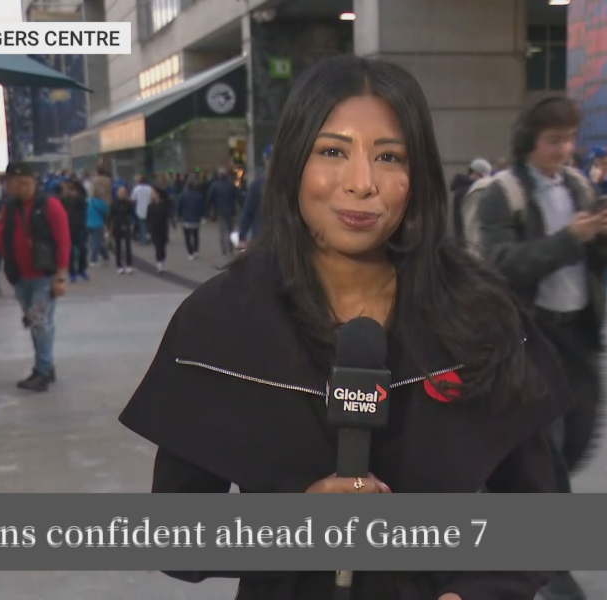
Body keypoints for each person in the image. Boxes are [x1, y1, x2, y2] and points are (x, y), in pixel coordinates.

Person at [119, 55, 574, 600]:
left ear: (418, 176)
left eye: (389, 157)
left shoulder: (481, 315)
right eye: (333, 151)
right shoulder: (219, 321)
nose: (362, 184)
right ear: (293, 163)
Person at [476, 97, 607, 600]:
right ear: (529, 142)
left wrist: (606, 237)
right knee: (549, 455)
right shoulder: (507, 193)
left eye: (569, 139)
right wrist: (569, 238)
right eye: (554, 140)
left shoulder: (581, 187)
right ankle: (554, 573)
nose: (564, 149)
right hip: (530, 339)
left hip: (578, 337)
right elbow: (502, 263)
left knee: (574, 443)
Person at [0, 162, 71, 393]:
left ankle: (43, 371)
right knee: (36, 323)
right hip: (20, 277)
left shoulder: (50, 206)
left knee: (40, 323)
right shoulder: (10, 208)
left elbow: (63, 241)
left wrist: (60, 276)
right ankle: (46, 365)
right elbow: (1, 240)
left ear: (26, 182)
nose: (8, 187)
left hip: (43, 276)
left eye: (12, 182)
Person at [176, 175, 205, 260]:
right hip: (196, 219)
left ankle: (190, 253)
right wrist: (202, 216)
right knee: (196, 235)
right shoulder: (199, 195)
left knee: (187, 237)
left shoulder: (182, 195)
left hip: (186, 219)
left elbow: (179, 207)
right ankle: (196, 251)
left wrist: (178, 216)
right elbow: (201, 207)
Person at [109, 185, 134, 274]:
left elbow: (132, 214)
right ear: (118, 193)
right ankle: (119, 265)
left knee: (128, 246)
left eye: (124, 192)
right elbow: (111, 215)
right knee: (118, 246)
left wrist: (131, 223)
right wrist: (109, 228)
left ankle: (129, 264)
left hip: (126, 225)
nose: (122, 194)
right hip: (117, 225)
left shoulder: (128, 203)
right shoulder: (114, 203)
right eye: (121, 192)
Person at [146, 187, 170, 273]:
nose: (151, 195)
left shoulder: (163, 205)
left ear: (157, 194)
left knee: (163, 247)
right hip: (154, 229)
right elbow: (148, 218)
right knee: (157, 246)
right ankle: (159, 263)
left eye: (153, 193)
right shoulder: (150, 206)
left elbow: (166, 216)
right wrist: (148, 230)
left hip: (163, 228)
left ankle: (162, 262)